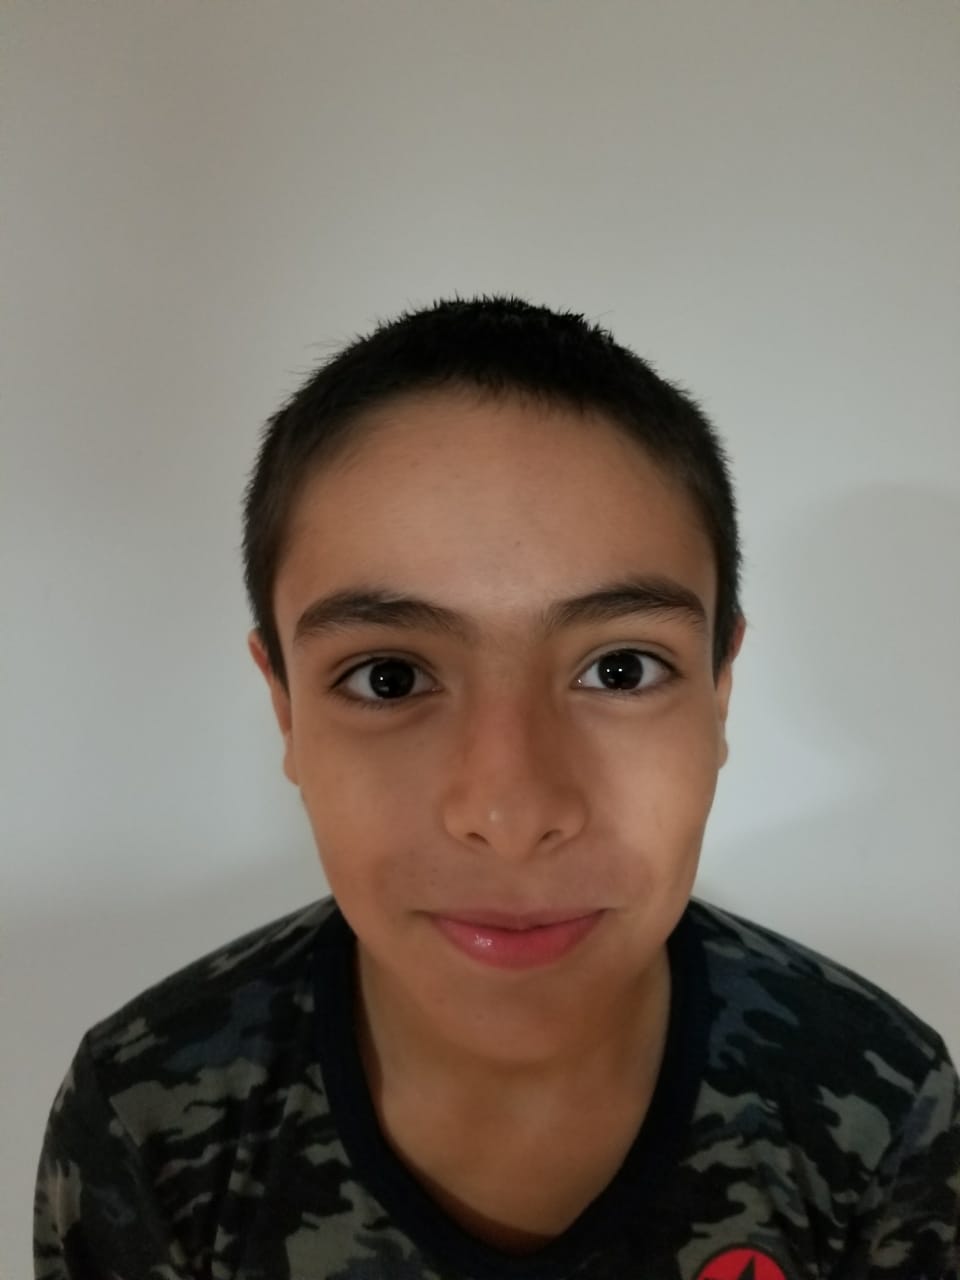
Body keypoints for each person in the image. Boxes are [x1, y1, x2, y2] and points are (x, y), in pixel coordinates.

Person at [34, 296, 959, 1280]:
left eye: (621, 669)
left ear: (719, 692)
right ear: (286, 707)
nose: (511, 815)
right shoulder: (146, 1113)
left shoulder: (878, 1103)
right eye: (389, 676)